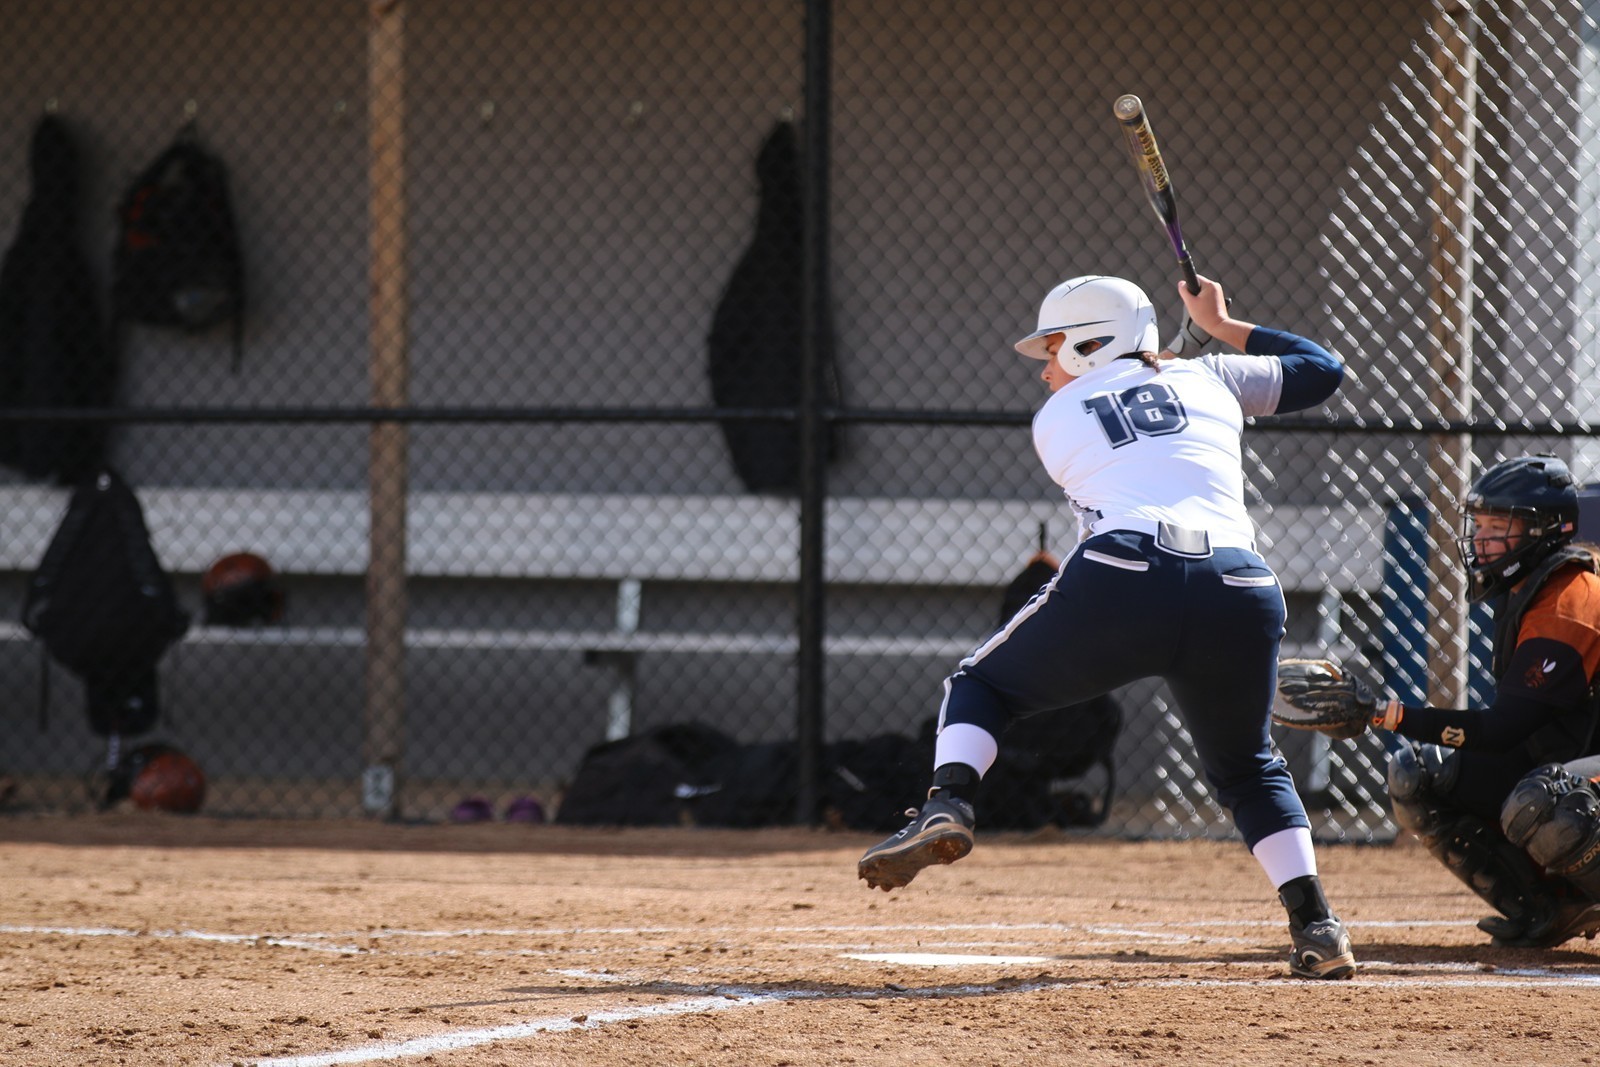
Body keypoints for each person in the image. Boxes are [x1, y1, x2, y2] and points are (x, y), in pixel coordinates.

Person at [856, 273, 1356, 980]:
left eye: (1055, 347)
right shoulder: (1210, 377)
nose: (1045, 366)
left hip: (1126, 573)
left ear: (1095, 344)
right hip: (1241, 586)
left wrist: (1182, 361)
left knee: (980, 685)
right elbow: (1323, 372)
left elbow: (1133, 422)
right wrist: (1222, 323)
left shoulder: (1059, 415)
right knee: (1249, 766)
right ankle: (1317, 923)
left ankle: (949, 802)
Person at [1356, 453, 1600, 947]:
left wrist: (1384, 713)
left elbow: (1501, 730)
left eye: (1500, 526)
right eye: (1481, 525)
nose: (1482, 539)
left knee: (1547, 800)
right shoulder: (1528, 587)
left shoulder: (1571, 600)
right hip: (1574, 756)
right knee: (1421, 773)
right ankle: (1550, 910)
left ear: (1544, 531)